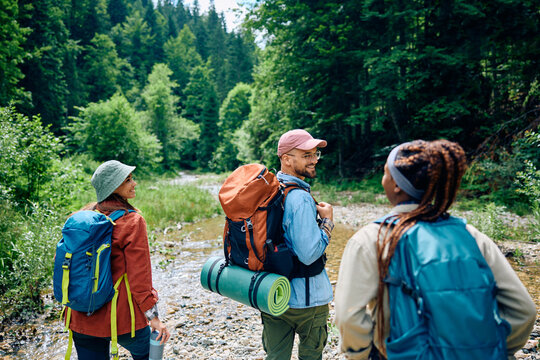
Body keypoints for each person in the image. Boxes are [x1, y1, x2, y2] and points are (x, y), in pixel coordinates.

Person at [334, 140, 536, 359]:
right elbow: (524, 311)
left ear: (396, 185)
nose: (382, 179)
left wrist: (361, 354)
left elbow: (348, 317)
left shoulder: (372, 239)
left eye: (385, 173)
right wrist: (491, 349)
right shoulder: (471, 235)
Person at [66, 160, 171, 359]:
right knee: (148, 354)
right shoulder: (132, 221)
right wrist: (154, 318)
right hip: (121, 318)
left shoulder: (81, 216)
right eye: (128, 180)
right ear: (114, 186)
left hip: (80, 317)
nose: (135, 183)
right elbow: (140, 278)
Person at [260, 129, 335, 360]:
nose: (314, 160)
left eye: (315, 154)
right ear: (286, 159)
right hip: (308, 301)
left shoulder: (269, 190)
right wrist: (328, 222)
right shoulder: (300, 197)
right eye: (306, 155)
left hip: (273, 295)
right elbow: (309, 254)